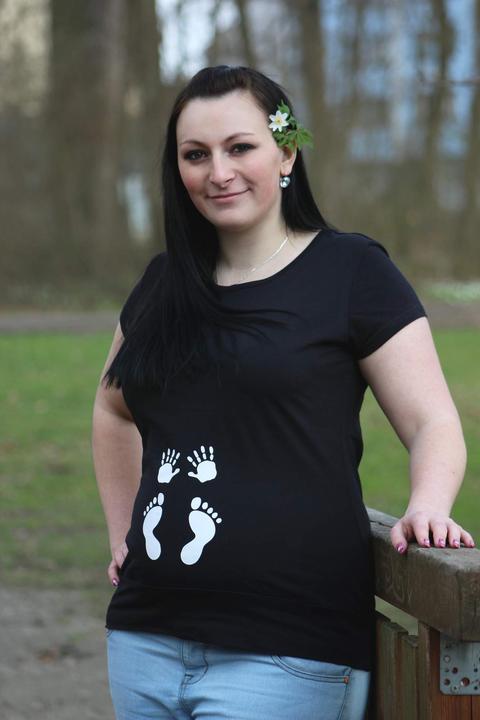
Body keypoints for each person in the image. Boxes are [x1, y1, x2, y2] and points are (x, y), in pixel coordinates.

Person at [92, 65, 475, 720]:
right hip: (145, 637)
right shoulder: (162, 285)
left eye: (240, 147)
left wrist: (429, 504)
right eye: (195, 155)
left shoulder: (352, 272)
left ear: (287, 152)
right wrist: (122, 528)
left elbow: (432, 421)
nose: (218, 172)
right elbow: (112, 407)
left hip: (286, 648)